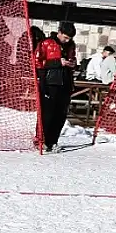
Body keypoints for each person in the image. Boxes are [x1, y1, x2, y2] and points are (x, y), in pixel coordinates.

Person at [33, 22, 77, 153]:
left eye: (69, 38)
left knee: (60, 114)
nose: (67, 40)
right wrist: (57, 62)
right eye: (65, 37)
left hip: (65, 82)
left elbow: (73, 58)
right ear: (59, 32)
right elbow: (37, 62)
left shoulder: (71, 45)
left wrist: (73, 63)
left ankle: (53, 140)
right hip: (50, 82)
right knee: (47, 114)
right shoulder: (46, 43)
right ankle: (41, 140)